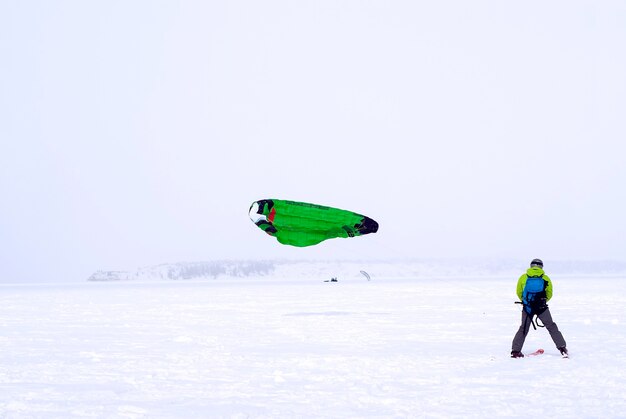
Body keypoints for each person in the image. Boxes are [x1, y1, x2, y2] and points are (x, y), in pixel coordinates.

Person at [511, 258, 568, 358]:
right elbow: (549, 293)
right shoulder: (545, 278)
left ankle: (515, 351)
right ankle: (562, 348)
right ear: (541, 266)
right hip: (541, 307)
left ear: (531, 266)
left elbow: (519, 292)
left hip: (527, 307)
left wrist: (527, 301)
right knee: (551, 326)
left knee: (523, 328)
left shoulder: (523, 277)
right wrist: (541, 302)